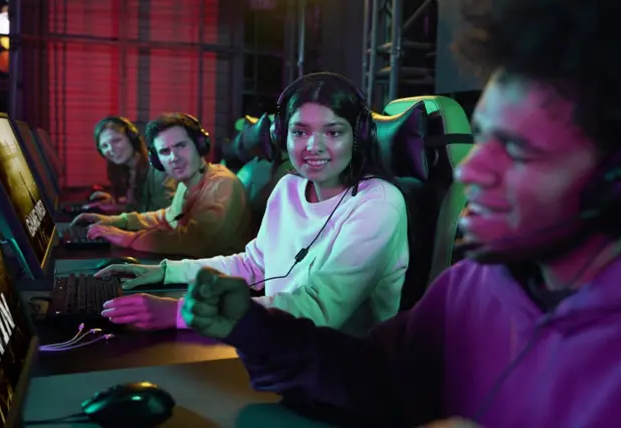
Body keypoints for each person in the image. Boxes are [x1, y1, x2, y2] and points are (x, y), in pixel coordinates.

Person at [180, 0, 621, 427]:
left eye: (519, 151)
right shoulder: (476, 284)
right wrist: (253, 329)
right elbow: (378, 377)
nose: (471, 171)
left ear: (612, 180)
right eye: (484, 137)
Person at [96, 74, 410, 336]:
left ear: (359, 137)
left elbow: (318, 308)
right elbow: (253, 265)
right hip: (279, 345)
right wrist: (164, 272)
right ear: (283, 136)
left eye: (333, 132)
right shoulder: (289, 187)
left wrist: (181, 313)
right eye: (300, 132)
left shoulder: (379, 203)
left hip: (340, 367)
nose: (313, 146)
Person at [74, 112, 252, 257]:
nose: (174, 157)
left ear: (200, 145)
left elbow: (196, 241)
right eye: (165, 151)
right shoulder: (187, 183)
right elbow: (167, 217)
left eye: (181, 145)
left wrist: (128, 238)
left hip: (224, 281)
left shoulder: (222, 183)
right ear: (157, 160)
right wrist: (115, 221)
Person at [87, 116, 175, 213]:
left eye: (116, 140)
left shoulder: (159, 170)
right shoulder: (126, 171)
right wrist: (114, 203)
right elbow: (137, 207)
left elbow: (165, 214)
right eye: (104, 146)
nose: (111, 149)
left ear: (132, 139)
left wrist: (120, 210)